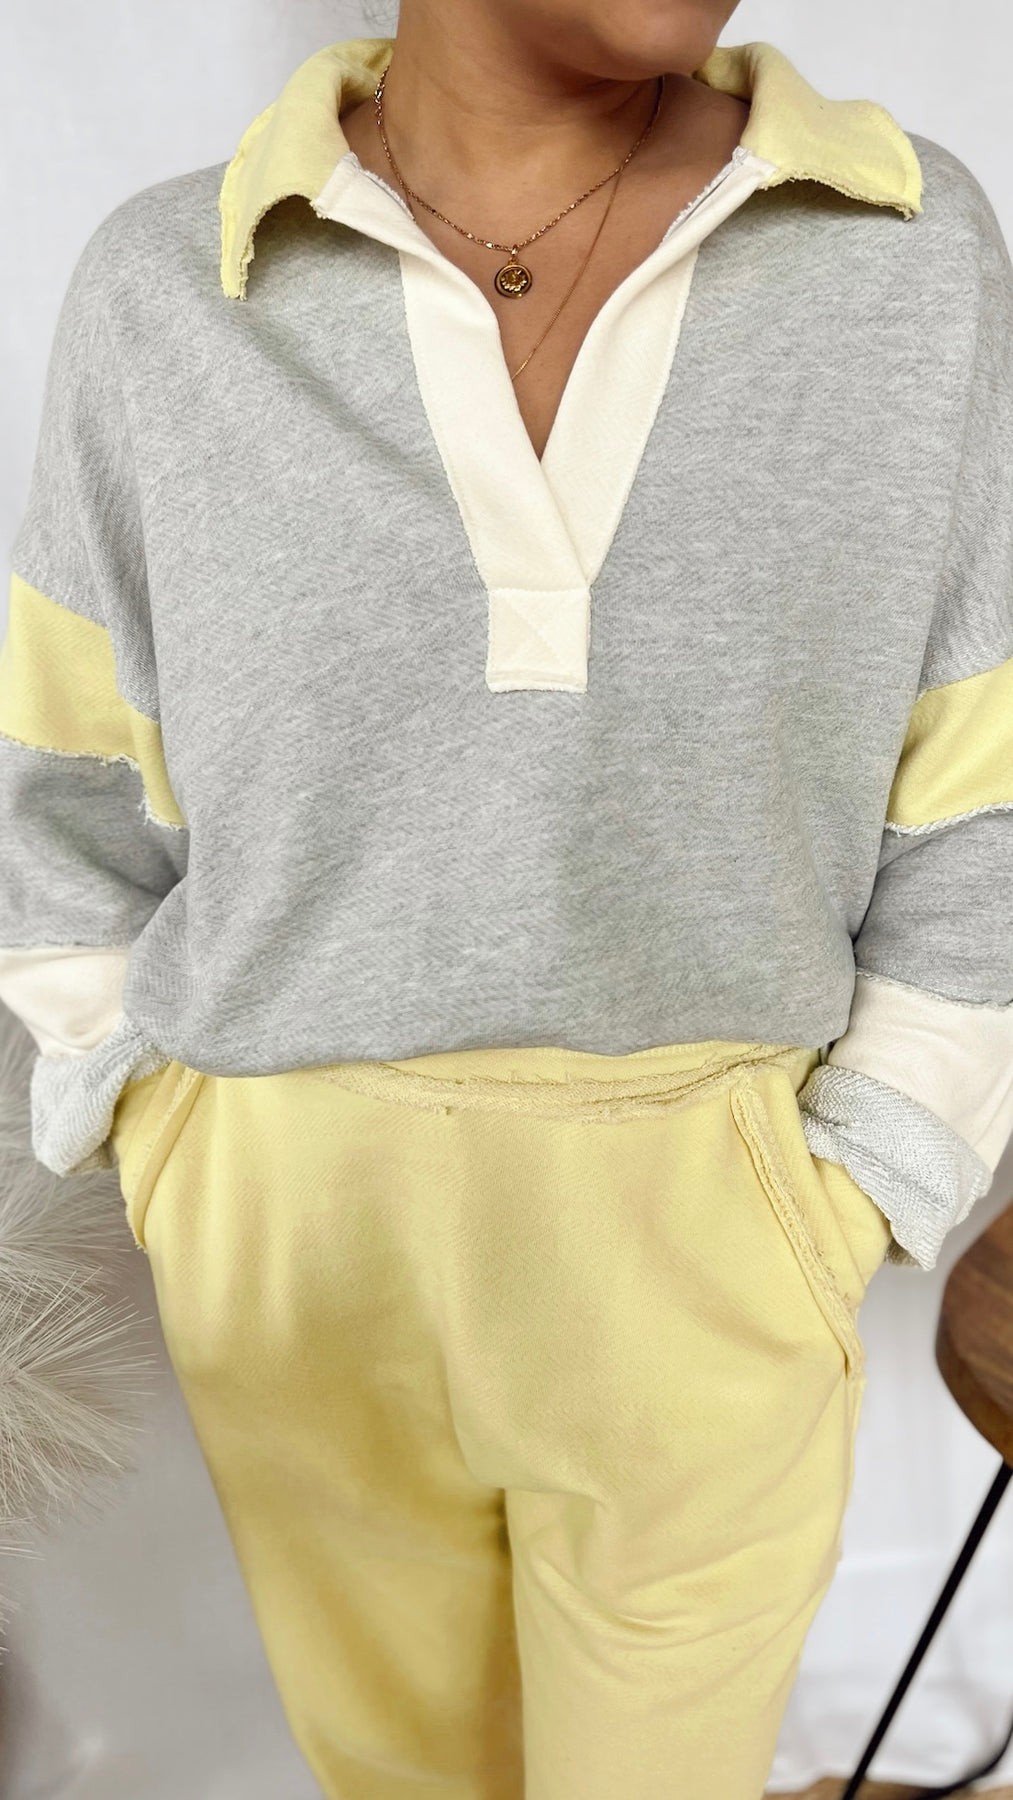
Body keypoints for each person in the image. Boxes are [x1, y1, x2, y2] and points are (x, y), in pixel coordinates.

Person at [1, 3, 1011, 1795]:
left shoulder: (905, 249)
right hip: (287, 1224)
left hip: (716, 1217)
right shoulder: (170, 282)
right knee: (394, 1778)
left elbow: (983, 778)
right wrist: (149, 1129)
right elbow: (61, 780)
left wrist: (870, 1170)